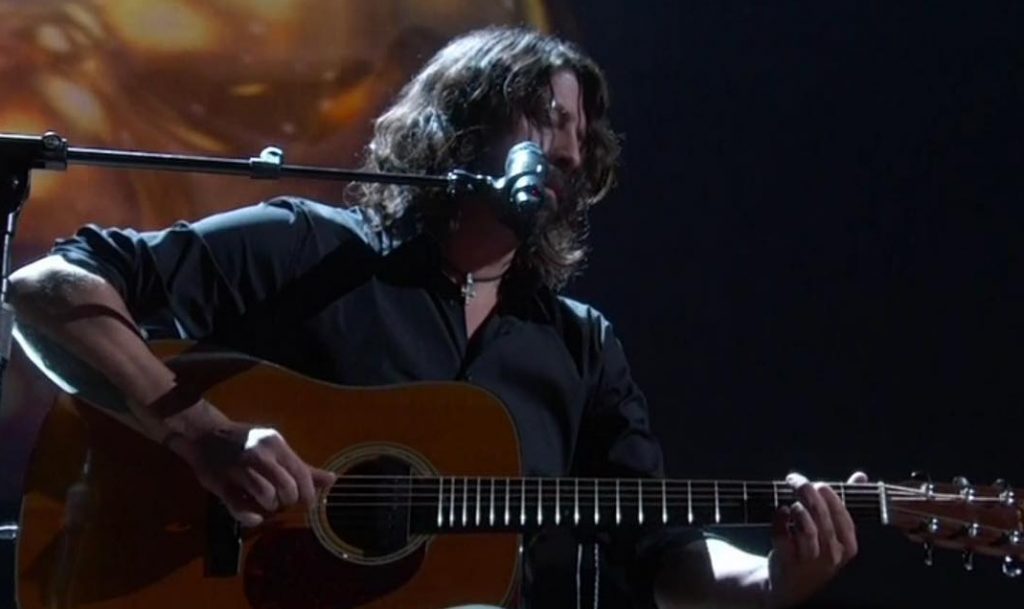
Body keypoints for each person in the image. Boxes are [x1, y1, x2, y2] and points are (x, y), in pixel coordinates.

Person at [10, 27, 865, 608]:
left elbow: (663, 554)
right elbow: (47, 287)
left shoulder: (581, 346)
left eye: (581, 136)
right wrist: (203, 435)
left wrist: (772, 580)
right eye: (548, 120)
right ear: (462, 125)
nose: (570, 151)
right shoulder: (307, 250)